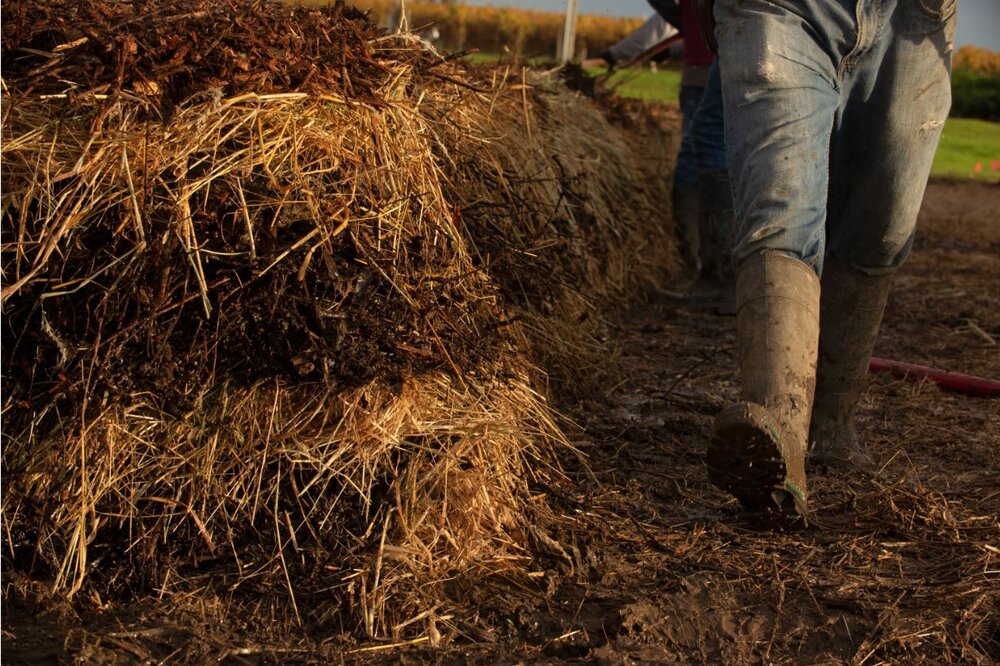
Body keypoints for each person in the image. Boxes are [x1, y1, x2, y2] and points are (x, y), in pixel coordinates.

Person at [694, 0, 956, 522]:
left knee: (881, 228)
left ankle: (831, 428)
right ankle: (779, 448)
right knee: (780, 207)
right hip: (782, 7)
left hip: (916, 15)